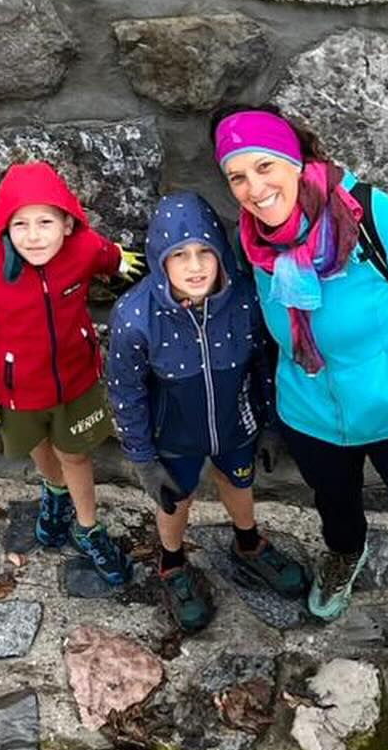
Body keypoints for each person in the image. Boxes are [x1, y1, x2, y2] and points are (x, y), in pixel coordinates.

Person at [213, 108, 388, 621]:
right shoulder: (250, 241)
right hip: (310, 414)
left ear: (294, 160)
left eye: (264, 166)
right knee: (335, 506)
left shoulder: (378, 220)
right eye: (237, 177)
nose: (254, 189)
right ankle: (346, 553)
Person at [107, 191, 307, 632]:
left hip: (237, 424)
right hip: (174, 435)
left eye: (205, 252)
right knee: (175, 500)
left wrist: (271, 425)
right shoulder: (136, 318)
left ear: (221, 254)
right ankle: (172, 563)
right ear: (160, 259)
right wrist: (143, 459)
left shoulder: (245, 302)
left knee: (239, 482)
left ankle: (248, 542)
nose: (195, 266)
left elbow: (265, 363)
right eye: (179, 255)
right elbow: (126, 392)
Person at [0, 161, 138, 588]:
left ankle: (87, 527)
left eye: (45, 222)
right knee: (38, 444)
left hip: (76, 382)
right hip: (15, 391)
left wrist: (119, 261)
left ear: (67, 224)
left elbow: (102, 252)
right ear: (3, 228)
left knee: (76, 455)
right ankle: (54, 490)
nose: (33, 236)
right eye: (20, 224)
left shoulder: (82, 248)